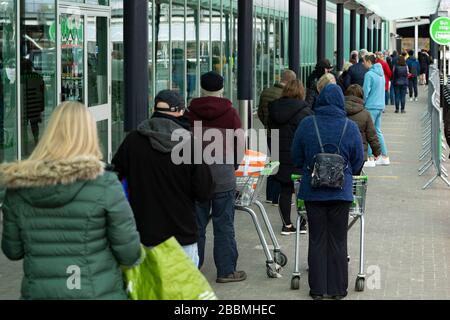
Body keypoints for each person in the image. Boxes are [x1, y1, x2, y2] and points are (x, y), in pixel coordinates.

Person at [1, 101, 142, 300]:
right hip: (97, 293)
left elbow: (13, 251)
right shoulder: (105, 184)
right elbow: (129, 253)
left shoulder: (18, 187)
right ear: (90, 134)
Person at [112, 90, 214, 266]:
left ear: (154, 109)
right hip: (181, 234)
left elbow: (113, 178)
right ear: (180, 111)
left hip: (142, 233)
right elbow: (204, 191)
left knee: (146, 291)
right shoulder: (190, 144)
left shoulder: (133, 140)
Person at [291, 84, 364, 300]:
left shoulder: (307, 124)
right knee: (338, 240)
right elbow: (358, 159)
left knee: (317, 239)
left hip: (313, 193)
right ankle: (338, 289)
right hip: (341, 193)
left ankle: (317, 289)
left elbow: (296, 157)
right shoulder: (349, 126)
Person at [186, 71, 246, 283]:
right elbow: (240, 146)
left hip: (195, 178)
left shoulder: (189, 113)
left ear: (200, 88)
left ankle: (193, 269)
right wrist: (232, 166)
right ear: (222, 88)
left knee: (196, 225)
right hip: (223, 177)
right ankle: (226, 271)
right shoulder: (231, 113)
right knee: (224, 225)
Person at [268, 79, 313, 235]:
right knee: (302, 190)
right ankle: (302, 223)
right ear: (301, 92)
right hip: (298, 155)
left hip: (279, 153)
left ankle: (286, 225)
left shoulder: (274, 108)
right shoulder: (305, 110)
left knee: (285, 190)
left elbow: (270, 132)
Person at [258, 69, 297, 205]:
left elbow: (260, 113)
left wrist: (267, 125)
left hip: (269, 132)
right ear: (290, 81)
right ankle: (277, 197)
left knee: (272, 162)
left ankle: (269, 195)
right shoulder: (285, 96)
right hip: (282, 134)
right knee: (280, 165)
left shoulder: (266, 91)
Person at [363, 53, 390, 167]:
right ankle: (384, 156)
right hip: (380, 106)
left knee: (369, 132)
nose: (363, 64)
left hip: (370, 106)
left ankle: (370, 158)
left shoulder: (369, 74)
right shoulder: (381, 73)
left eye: (364, 61)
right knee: (377, 131)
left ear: (369, 62)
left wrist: (363, 103)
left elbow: (365, 92)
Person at [344, 84, 381, 168]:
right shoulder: (365, 114)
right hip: (360, 153)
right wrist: (377, 152)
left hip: (342, 151)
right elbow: (372, 135)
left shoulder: (340, 111)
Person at [21, 58, 45, 151]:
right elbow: (43, 92)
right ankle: (36, 142)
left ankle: (24, 147)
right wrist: (42, 105)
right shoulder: (37, 77)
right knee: (34, 125)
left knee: (23, 126)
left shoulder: (21, 77)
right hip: (35, 106)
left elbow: (14, 93)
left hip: (24, 106)